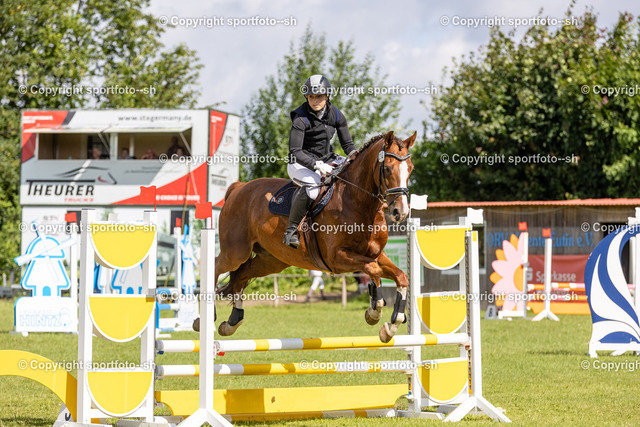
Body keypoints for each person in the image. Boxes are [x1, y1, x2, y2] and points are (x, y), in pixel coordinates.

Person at [283, 74, 357, 248]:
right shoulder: (300, 118)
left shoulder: (336, 115)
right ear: (306, 97)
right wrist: (315, 164)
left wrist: (357, 158)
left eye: (319, 96)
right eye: (311, 96)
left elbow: (348, 145)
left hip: (326, 159)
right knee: (313, 188)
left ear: (327, 95)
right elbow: (295, 151)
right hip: (299, 163)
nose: (315, 100)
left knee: (352, 175)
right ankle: (291, 231)